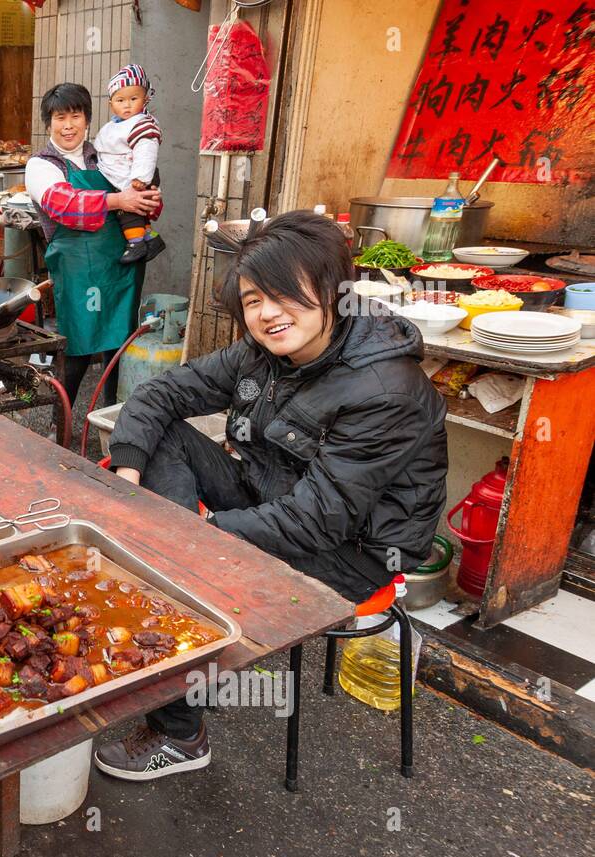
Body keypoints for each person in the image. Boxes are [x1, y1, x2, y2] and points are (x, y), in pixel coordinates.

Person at [95, 210, 448, 781]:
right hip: (268, 496)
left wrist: (196, 542)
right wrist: (131, 475)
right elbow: (162, 393)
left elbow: (316, 522)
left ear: (333, 289)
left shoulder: (385, 390)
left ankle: (180, 731)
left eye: (286, 293)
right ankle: (170, 585)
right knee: (161, 447)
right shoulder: (264, 353)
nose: (267, 313)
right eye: (254, 298)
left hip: (349, 550)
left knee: (185, 567)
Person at [25, 83, 159, 408]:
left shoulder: (105, 158)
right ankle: (60, 427)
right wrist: (120, 199)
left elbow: (142, 196)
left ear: (87, 119)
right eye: (60, 118)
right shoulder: (42, 165)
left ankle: (113, 425)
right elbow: (65, 205)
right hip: (78, 272)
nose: (68, 125)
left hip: (121, 265)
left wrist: (149, 200)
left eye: (76, 115)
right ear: (48, 123)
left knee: (118, 347)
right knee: (79, 350)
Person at [94, 64, 164, 263]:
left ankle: (136, 243)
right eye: (120, 100)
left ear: (145, 99)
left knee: (129, 211)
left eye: (133, 99)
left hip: (136, 175)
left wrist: (140, 178)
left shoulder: (142, 124)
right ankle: (151, 239)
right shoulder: (113, 126)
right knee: (139, 211)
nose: (127, 105)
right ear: (111, 104)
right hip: (122, 174)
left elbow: (146, 151)